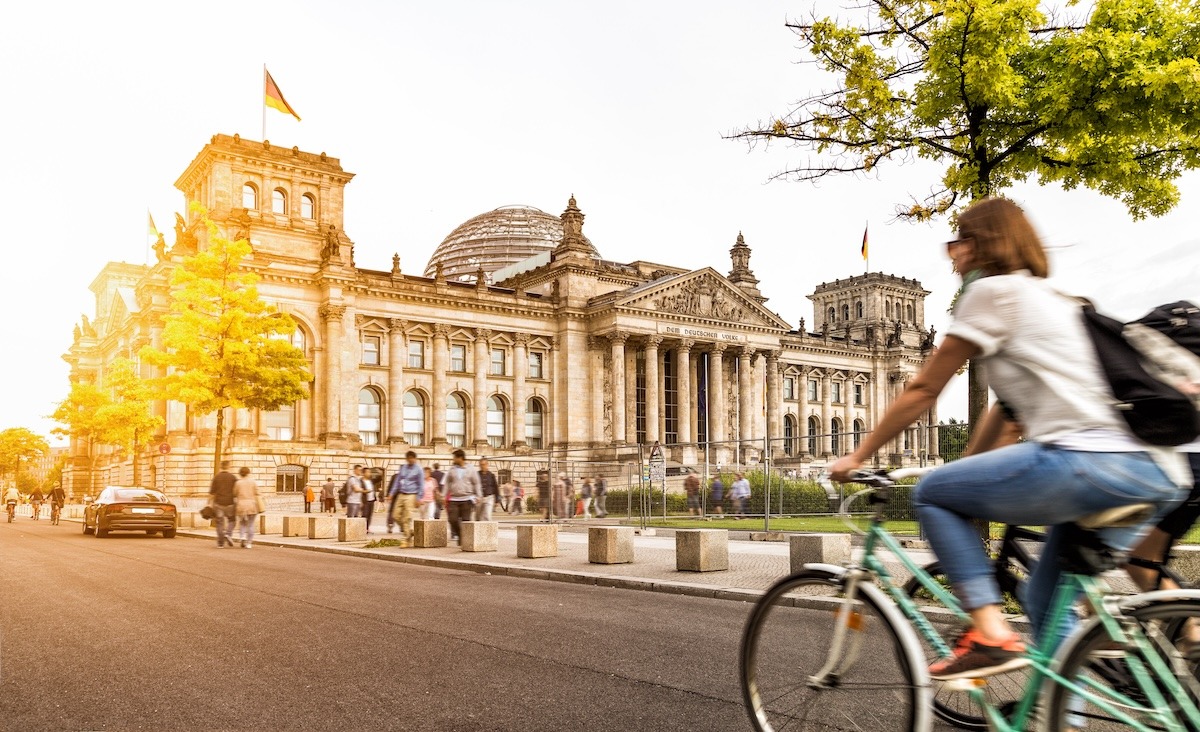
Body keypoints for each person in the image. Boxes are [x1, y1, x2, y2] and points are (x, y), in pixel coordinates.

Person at [829, 197, 1187, 681]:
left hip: (1085, 462)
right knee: (1046, 601)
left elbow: (924, 387)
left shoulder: (991, 293)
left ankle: (990, 633)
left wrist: (858, 455)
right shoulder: (1062, 302)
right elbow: (1011, 409)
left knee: (932, 492)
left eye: (958, 240)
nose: (951, 252)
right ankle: (1065, 715)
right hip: (1157, 471)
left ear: (983, 245)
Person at [442, 449, 481, 543]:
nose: (453, 460)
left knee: (466, 521)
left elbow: (476, 483)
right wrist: (443, 496)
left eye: (455, 457)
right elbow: (447, 483)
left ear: (460, 458)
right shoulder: (452, 469)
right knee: (452, 519)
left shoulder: (471, 469)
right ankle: (460, 535)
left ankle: (465, 541)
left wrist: (479, 495)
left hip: (467, 498)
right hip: (454, 498)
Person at [388, 451, 423, 545]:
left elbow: (421, 484)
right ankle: (409, 531)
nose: (410, 460)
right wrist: (391, 493)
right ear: (407, 459)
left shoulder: (419, 469)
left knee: (407, 517)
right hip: (401, 493)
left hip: (412, 494)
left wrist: (419, 498)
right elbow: (397, 481)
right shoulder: (403, 468)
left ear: (415, 459)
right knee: (395, 515)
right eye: (409, 458)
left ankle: (406, 539)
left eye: (412, 458)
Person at [209, 460, 239, 548]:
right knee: (232, 520)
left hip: (218, 503)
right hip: (230, 503)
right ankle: (228, 534)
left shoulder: (216, 477)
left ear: (221, 467)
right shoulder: (233, 477)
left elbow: (212, 493)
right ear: (229, 466)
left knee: (219, 523)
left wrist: (209, 504)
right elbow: (236, 491)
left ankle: (220, 543)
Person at [233, 466, 260, 549]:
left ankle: (242, 537)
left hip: (241, 505)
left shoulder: (238, 482)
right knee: (251, 524)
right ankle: (249, 543)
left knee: (242, 523)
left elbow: (234, 493)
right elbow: (257, 492)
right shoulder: (253, 482)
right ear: (248, 472)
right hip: (251, 505)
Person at [361, 468, 378, 534]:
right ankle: (363, 528)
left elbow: (378, 479)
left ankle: (367, 528)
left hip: (372, 500)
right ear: (364, 473)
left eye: (370, 472)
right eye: (368, 472)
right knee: (365, 515)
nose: (369, 473)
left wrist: (380, 473)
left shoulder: (371, 481)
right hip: (365, 500)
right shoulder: (361, 481)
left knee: (370, 515)